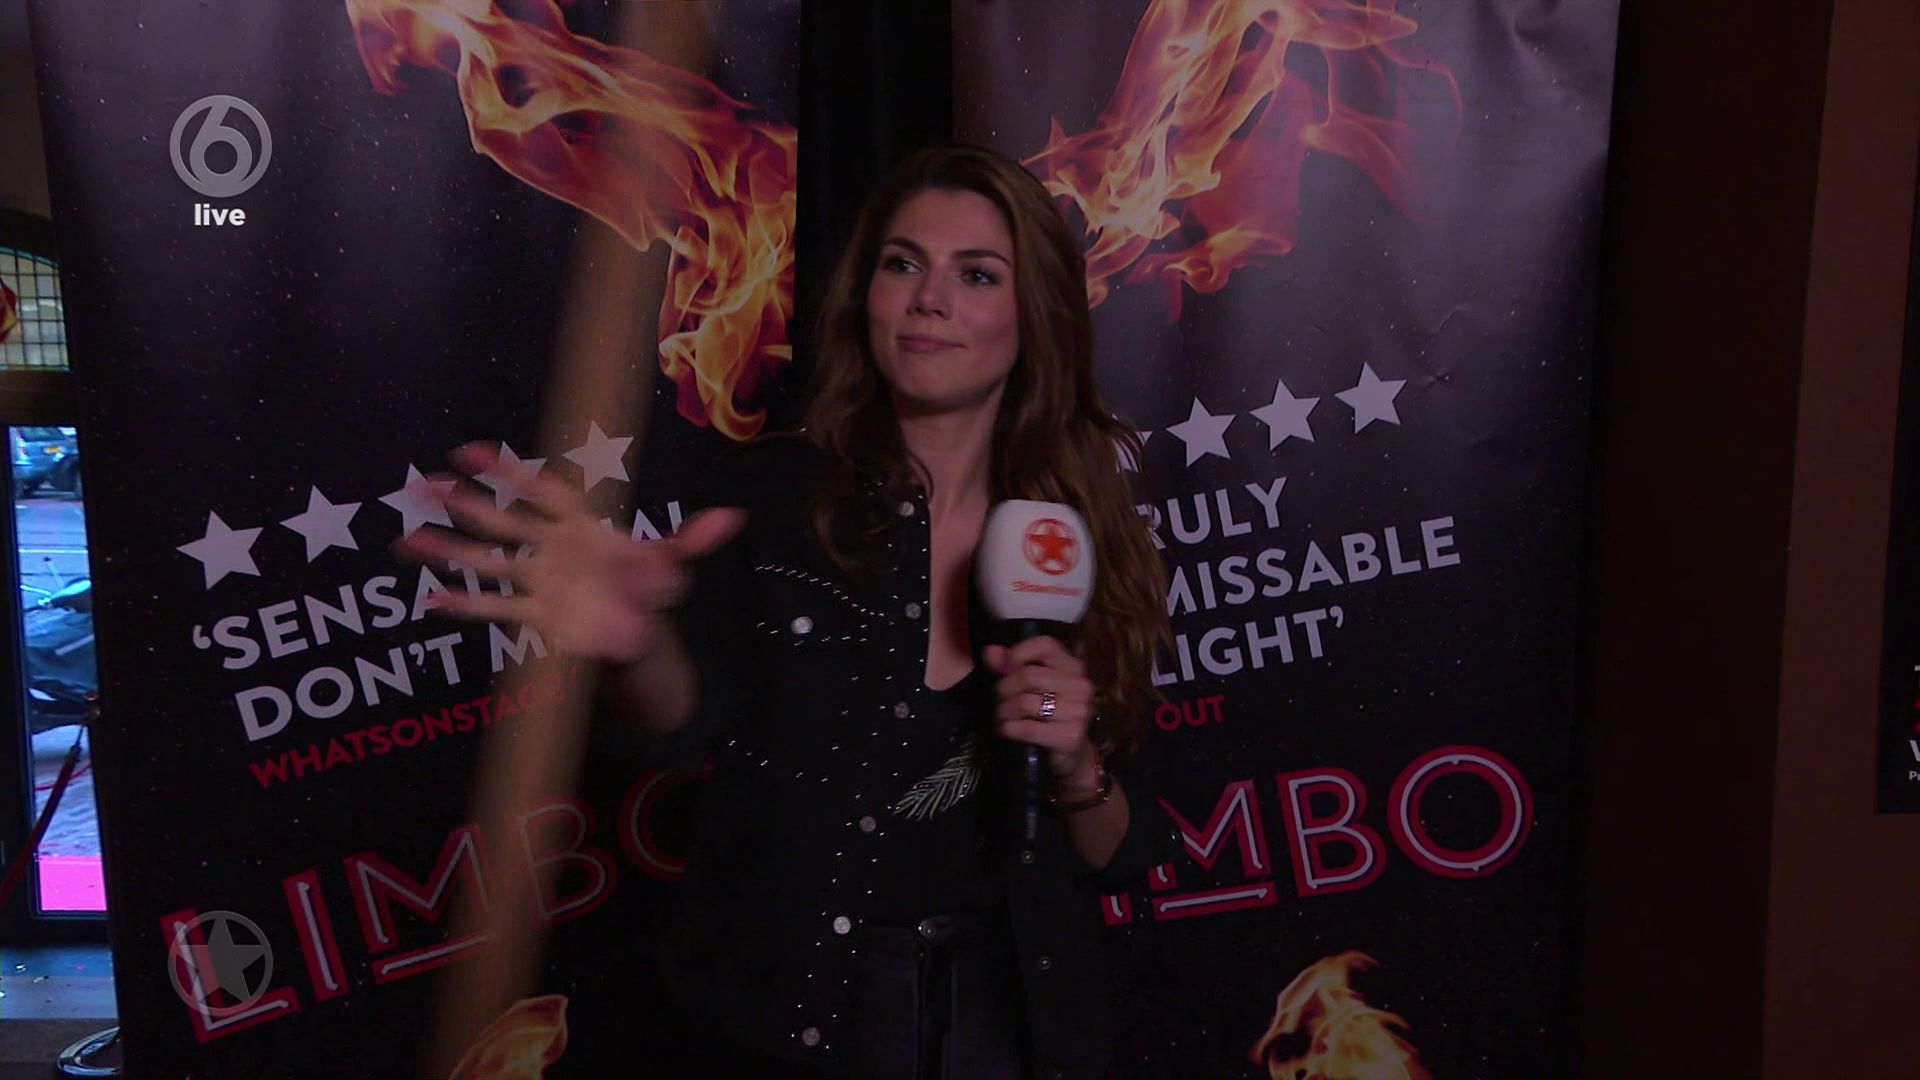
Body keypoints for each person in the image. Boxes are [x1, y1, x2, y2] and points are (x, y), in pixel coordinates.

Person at [399, 143, 1180, 1079]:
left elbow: (1126, 850)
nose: (930, 299)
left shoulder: (1076, 531)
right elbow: (681, 721)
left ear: (1034, 314)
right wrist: (637, 646)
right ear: (866, 297)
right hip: (783, 1029)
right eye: (903, 264)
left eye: (977, 274)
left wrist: (1072, 760)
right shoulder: (775, 495)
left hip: (1012, 1032)